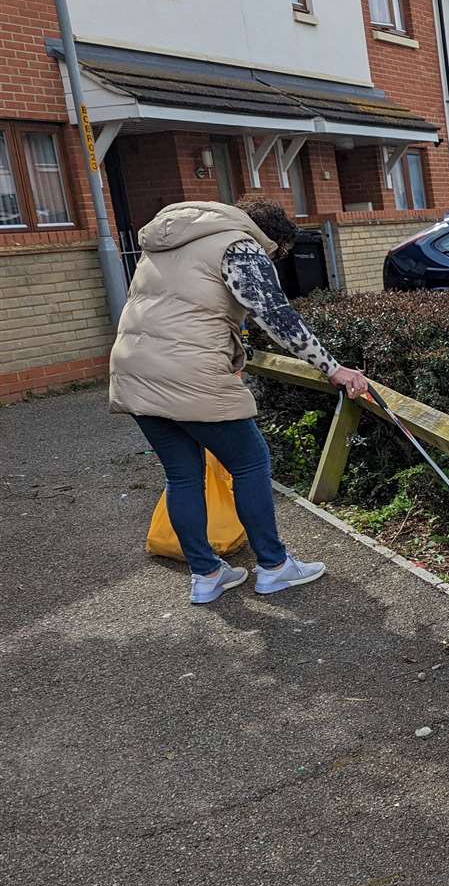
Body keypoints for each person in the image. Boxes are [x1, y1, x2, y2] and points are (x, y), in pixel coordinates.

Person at [109, 199, 369, 604]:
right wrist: (333, 368)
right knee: (250, 461)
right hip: (188, 372)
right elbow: (276, 314)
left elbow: (180, 311)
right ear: (271, 239)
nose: (272, 259)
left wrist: (230, 355)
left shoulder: (166, 241)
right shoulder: (240, 246)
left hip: (135, 371)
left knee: (182, 476)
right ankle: (274, 566)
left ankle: (206, 574)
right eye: (276, 254)